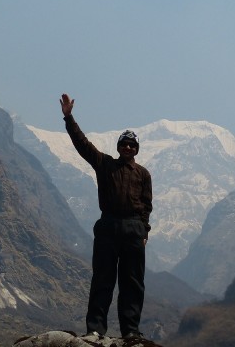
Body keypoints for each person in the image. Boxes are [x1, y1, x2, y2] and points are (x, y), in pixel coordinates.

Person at [59, 93, 153, 340]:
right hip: (108, 225)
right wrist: (69, 118)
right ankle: (95, 330)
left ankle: (130, 332)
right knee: (103, 279)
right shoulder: (105, 164)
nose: (128, 147)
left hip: (133, 230)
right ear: (119, 146)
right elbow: (83, 145)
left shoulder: (143, 174)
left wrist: (144, 230)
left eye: (132, 145)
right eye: (124, 143)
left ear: (137, 149)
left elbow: (146, 205)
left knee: (132, 283)